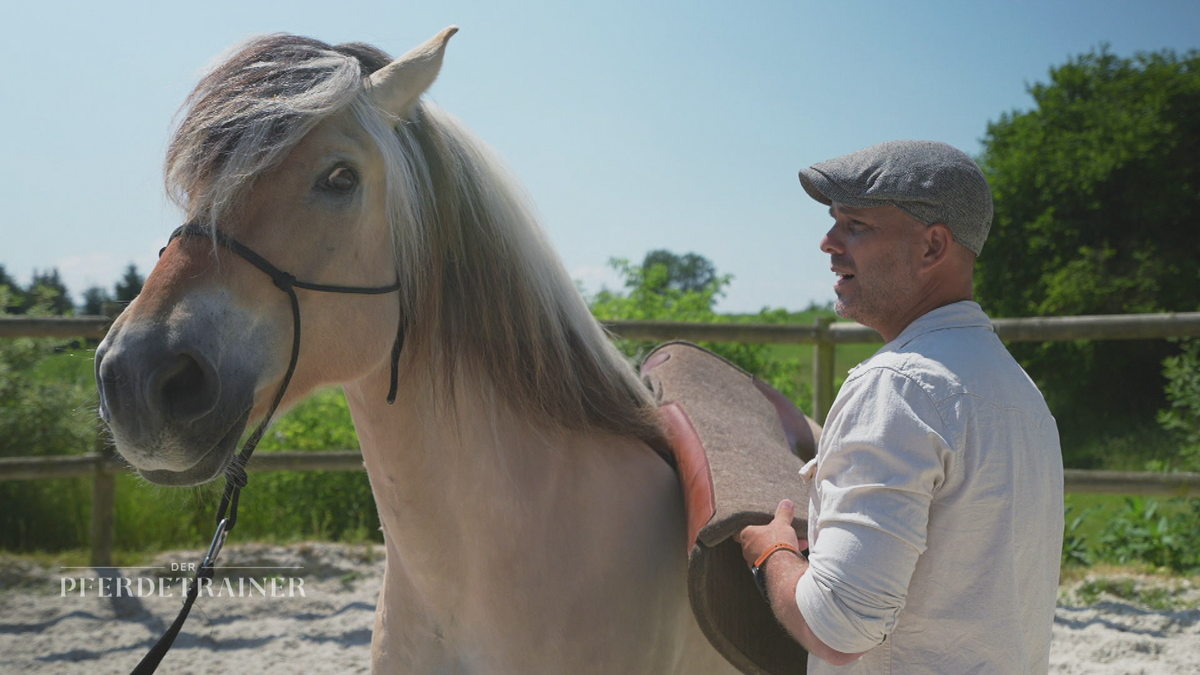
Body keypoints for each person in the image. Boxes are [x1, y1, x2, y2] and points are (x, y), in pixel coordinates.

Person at [736, 140, 1064, 673]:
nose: (827, 242)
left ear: (933, 246)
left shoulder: (899, 387)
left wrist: (772, 553)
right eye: (833, 221)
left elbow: (838, 630)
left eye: (856, 225)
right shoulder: (1020, 392)